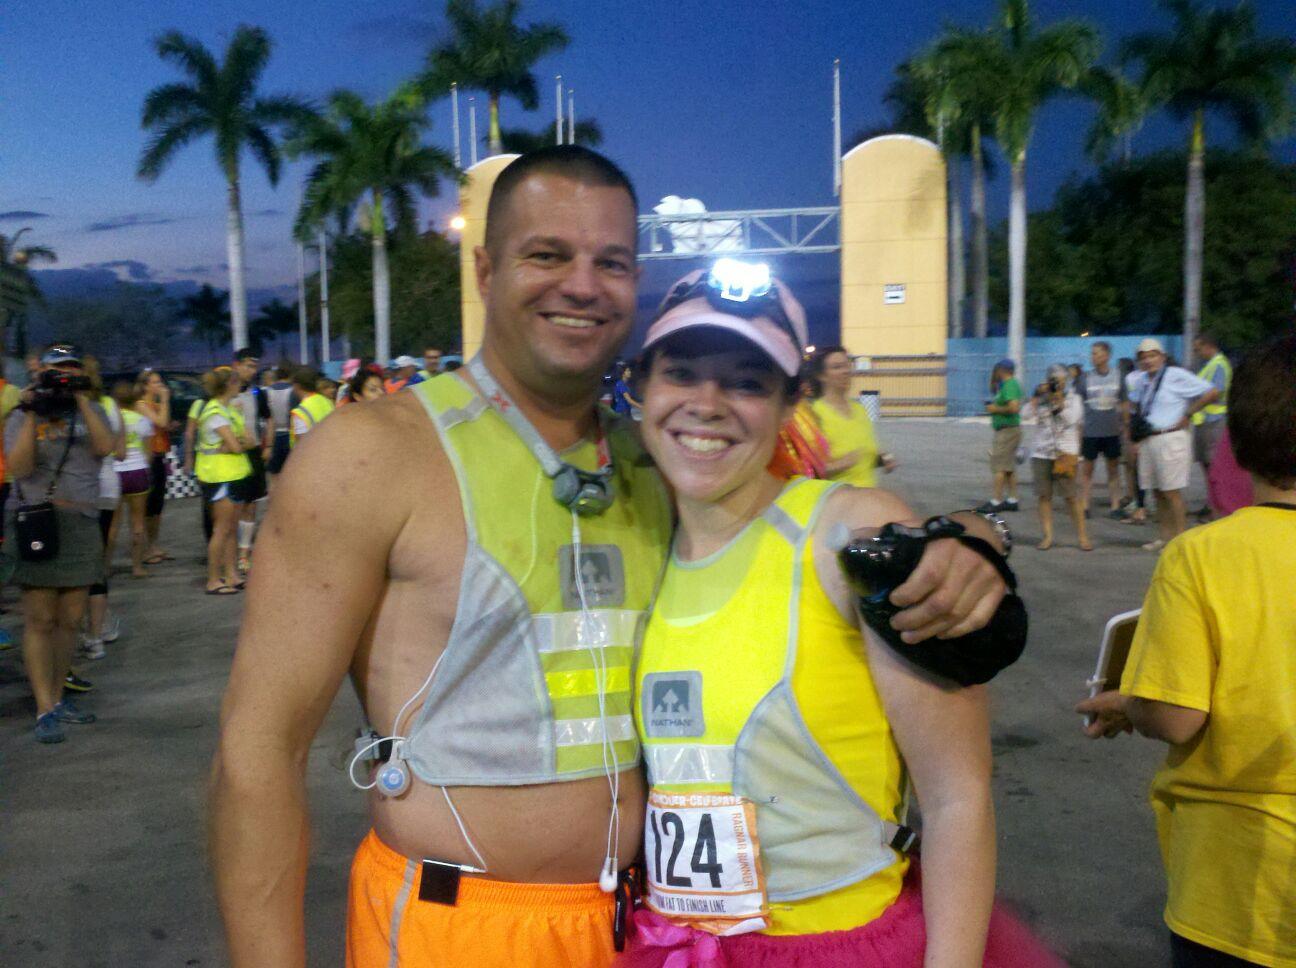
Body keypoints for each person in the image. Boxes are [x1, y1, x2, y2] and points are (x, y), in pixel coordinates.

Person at [208, 146, 1013, 968]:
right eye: (547, 254)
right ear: (484, 269)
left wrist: (968, 538)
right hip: (462, 929)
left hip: (651, 935)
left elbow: (823, 521)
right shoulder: (370, 455)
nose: (582, 285)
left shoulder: (659, 464)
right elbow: (259, 750)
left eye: (613, 263)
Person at [621, 267, 1054, 967]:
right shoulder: (636, 541)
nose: (707, 404)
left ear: (792, 402)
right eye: (681, 373)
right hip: (674, 946)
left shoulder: (843, 537)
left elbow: (957, 797)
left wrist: (977, 535)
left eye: (746, 382)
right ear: (640, 387)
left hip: (839, 947)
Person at [1076, 333, 1296, 968]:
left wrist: (1129, 703)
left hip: (1233, 884)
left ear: (1236, 445)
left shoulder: (1199, 557)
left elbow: (1177, 716)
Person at [3, 344, 115, 743]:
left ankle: (58, 697)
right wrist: (33, 410)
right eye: (58, 370)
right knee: (40, 619)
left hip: (82, 522)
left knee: (70, 619)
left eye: (72, 368)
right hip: (38, 522)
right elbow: (20, 467)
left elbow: (106, 448)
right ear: (42, 374)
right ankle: (44, 707)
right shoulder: (22, 414)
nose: (65, 375)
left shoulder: (92, 410)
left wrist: (82, 399)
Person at [1125, 338, 1219, 552]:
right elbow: (1134, 406)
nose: (1148, 361)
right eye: (1144, 357)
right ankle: (1164, 537)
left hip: (1170, 437)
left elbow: (1212, 392)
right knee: (1157, 492)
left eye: (1153, 355)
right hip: (1149, 438)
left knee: (1171, 492)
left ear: (1162, 357)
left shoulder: (1175, 375)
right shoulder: (1142, 380)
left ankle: (1180, 540)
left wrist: (1188, 413)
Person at [83, 359, 127, 662]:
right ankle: (98, 632)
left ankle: (87, 627)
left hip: (79, 488)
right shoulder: (111, 405)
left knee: (77, 562)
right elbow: (120, 452)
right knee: (97, 559)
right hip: (108, 485)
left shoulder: (69, 406)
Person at [195, 368, 252, 594]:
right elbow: (238, 445)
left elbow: (249, 441)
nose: (240, 385)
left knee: (230, 529)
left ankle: (231, 575)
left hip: (233, 475)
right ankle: (213, 580)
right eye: (237, 381)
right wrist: (235, 444)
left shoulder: (229, 410)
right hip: (219, 477)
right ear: (229, 384)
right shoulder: (215, 412)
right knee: (221, 529)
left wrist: (233, 445)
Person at [1022, 365, 1090, 551]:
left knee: (1071, 497)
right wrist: (1035, 396)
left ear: (1066, 381)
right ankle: (1047, 536)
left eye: (1060, 380)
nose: (1057, 384)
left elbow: (1072, 419)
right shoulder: (1042, 398)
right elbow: (1025, 415)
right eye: (1053, 380)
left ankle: (1082, 537)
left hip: (1065, 453)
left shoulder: (1074, 399)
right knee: (1044, 495)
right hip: (1042, 452)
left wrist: (1059, 402)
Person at [808, 345, 896, 487]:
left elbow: (865, 452)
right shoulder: (815, 414)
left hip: (867, 494)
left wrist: (882, 458)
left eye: (847, 366)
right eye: (837, 367)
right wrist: (840, 465)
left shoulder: (859, 410)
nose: (846, 371)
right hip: (837, 497)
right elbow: (807, 470)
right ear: (821, 376)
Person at [106, 380, 154, 579]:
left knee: (112, 524)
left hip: (115, 472)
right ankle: (137, 566)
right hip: (137, 472)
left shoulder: (109, 420)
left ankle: (105, 566)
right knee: (137, 522)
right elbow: (149, 453)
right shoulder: (142, 421)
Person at [230, 349, 269, 574]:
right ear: (236, 365)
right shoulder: (224, 392)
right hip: (230, 457)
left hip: (253, 454)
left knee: (251, 505)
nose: (252, 371)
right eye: (248, 365)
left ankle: (244, 554)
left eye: (254, 367)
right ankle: (229, 553)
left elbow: (268, 418)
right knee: (232, 507)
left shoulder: (257, 393)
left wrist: (268, 445)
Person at [1077, 341, 1124, 519]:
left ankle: (1115, 506)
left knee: (1113, 471)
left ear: (1107, 355)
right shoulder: (1085, 378)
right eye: (1092, 353)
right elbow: (1078, 404)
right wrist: (1078, 431)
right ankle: (1085, 506)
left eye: (1096, 353)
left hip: (1112, 432)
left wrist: (1125, 426)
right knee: (1087, 472)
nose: (1093, 357)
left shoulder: (1118, 376)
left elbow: (1124, 402)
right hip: (1090, 432)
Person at [1189, 333, 1231, 519]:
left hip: (1214, 421)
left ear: (1208, 346)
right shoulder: (1209, 365)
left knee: (1213, 466)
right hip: (1205, 421)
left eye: (1198, 349)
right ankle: (1211, 503)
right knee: (1207, 466)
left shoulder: (1219, 364)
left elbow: (1215, 393)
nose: (1197, 353)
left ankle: (1217, 507)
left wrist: (1191, 409)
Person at [135, 369, 173, 563]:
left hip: (159, 455)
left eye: (160, 382)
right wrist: (165, 400)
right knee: (148, 506)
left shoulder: (156, 404)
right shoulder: (141, 405)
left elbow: (164, 425)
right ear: (145, 386)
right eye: (155, 382)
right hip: (147, 458)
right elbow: (161, 422)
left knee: (157, 506)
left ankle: (153, 544)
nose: (160, 386)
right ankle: (143, 549)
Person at [982, 359, 1023, 513]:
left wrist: (995, 409)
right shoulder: (1007, 385)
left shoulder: (1010, 384)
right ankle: (1012, 499)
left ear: (1002, 370)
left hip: (1007, 431)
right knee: (1008, 466)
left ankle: (996, 500)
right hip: (1008, 430)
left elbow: (1014, 407)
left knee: (999, 465)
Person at [1116, 357, 1148, 525]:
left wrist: (1126, 425)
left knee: (1135, 467)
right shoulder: (1141, 378)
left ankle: (1138, 505)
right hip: (1139, 425)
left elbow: (1128, 404)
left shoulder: (1132, 379)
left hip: (1139, 426)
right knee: (1135, 467)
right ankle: (1139, 505)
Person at [264, 365, 296, 481]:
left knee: (274, 473)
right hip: (290, 434)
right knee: (291, 471)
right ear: (291, 375)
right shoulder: (294, 390)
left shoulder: (267, 391)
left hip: (273, 435)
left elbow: (267, 417)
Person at [288, 367, 333, 448]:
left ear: (297, 386)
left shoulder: (300, 412)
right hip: (330, 449)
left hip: (312, 453)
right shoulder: (327, 401)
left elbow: (302, 444)